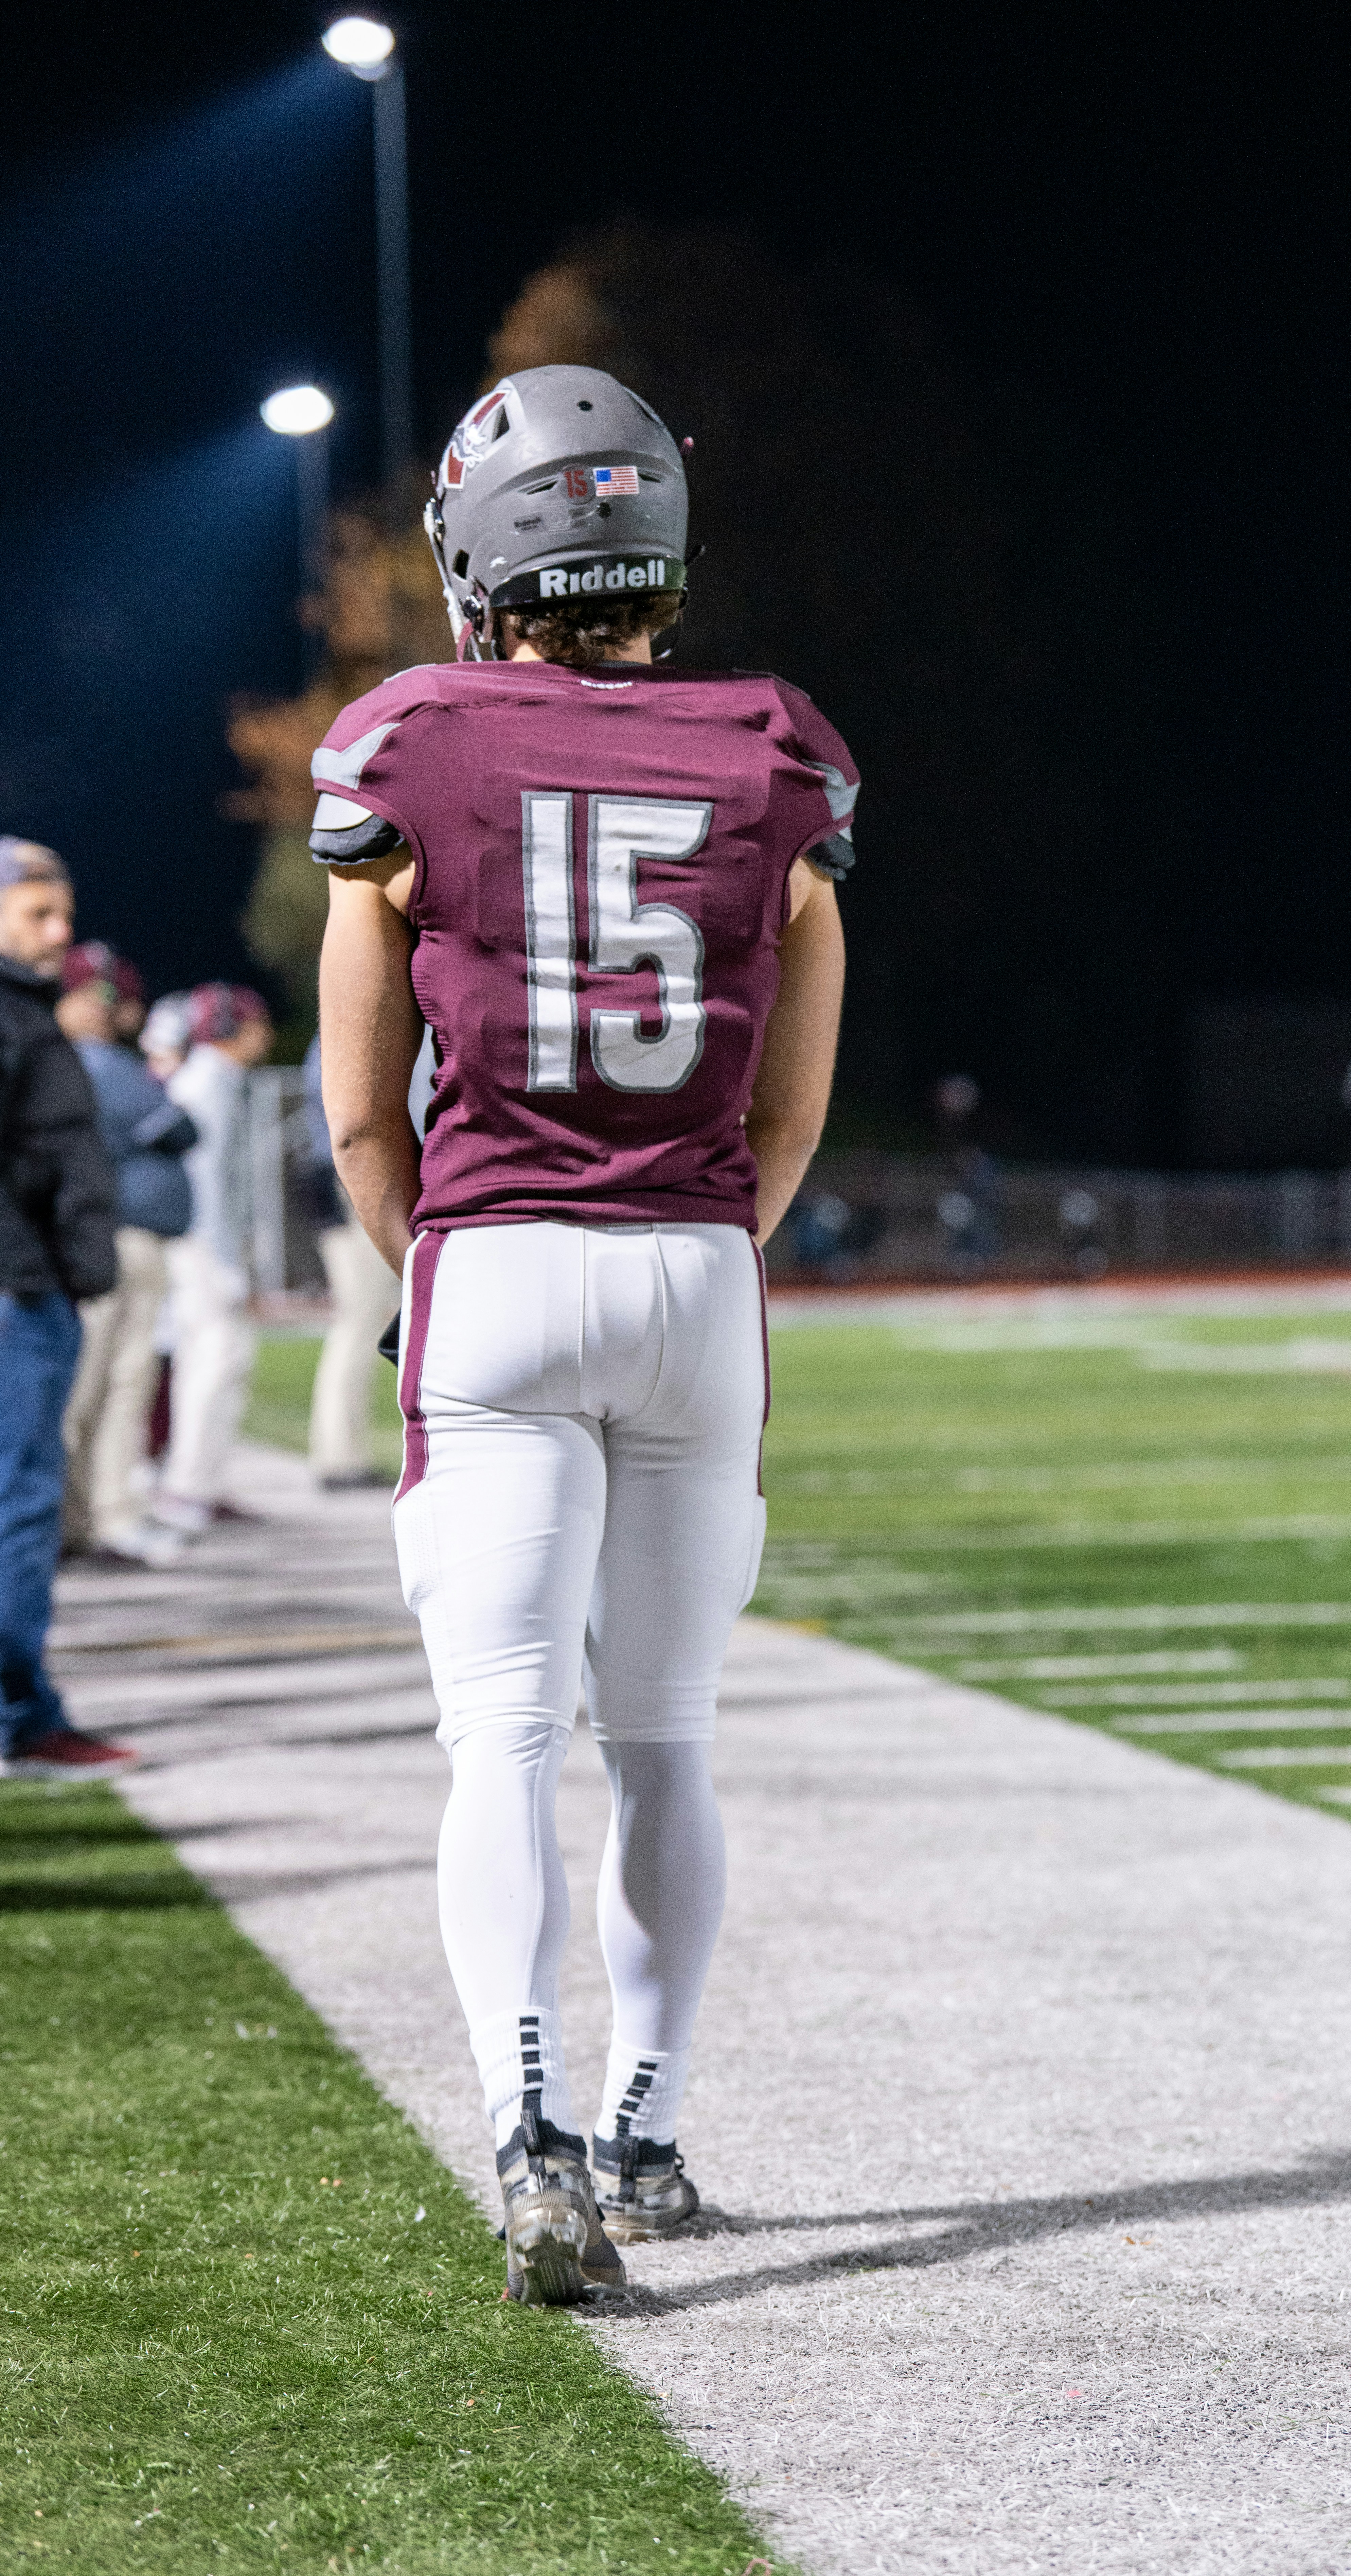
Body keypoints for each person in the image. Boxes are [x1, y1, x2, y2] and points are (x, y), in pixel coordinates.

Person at [316, 366, 852, 2302]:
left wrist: (429, 1257)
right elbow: (790, 1110)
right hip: (698, 1274)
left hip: (497, 1266)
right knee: (668, 1740)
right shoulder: (775, 748)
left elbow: (364, 1109)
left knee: (502, 1740)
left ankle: (530, 2138)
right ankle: (647, 2130)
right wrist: (699, 1234)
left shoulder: (407, 741)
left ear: (481, 550)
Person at [0, 839, 136, 1778]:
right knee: (20, 1506)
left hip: (32, 1288)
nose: (62, 931)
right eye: (40, 913)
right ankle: (20, 1715)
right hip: (16, 1295)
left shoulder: (26, 1009)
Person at [54, 944, 197, 1564]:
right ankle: (86, 1519)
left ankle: (93, 1519)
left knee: (107, 1385)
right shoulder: (90, 1062)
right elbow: (182, 1128)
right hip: (101, 1240)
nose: (105, 1009)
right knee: (93, 1389)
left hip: (98, 1240)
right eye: (94, 994)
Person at [149, 982, 273, 1540]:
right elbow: (207, 1187)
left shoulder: (216, 1079)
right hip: (202, 1243)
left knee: (214, 1361)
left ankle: (198, 1481)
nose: (265, 1033)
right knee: (216, 1360)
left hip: (203, 1241)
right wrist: (226, 1261)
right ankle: (188, 1487)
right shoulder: (208, 1083)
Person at [301, 1030, 401, 1488]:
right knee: (358, 1324)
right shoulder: (345, 1026)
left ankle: (342, 1453)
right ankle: (338, 1457)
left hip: (345, 1181)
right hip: (351, 1184)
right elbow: (354, 1122)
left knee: (359, 1323)